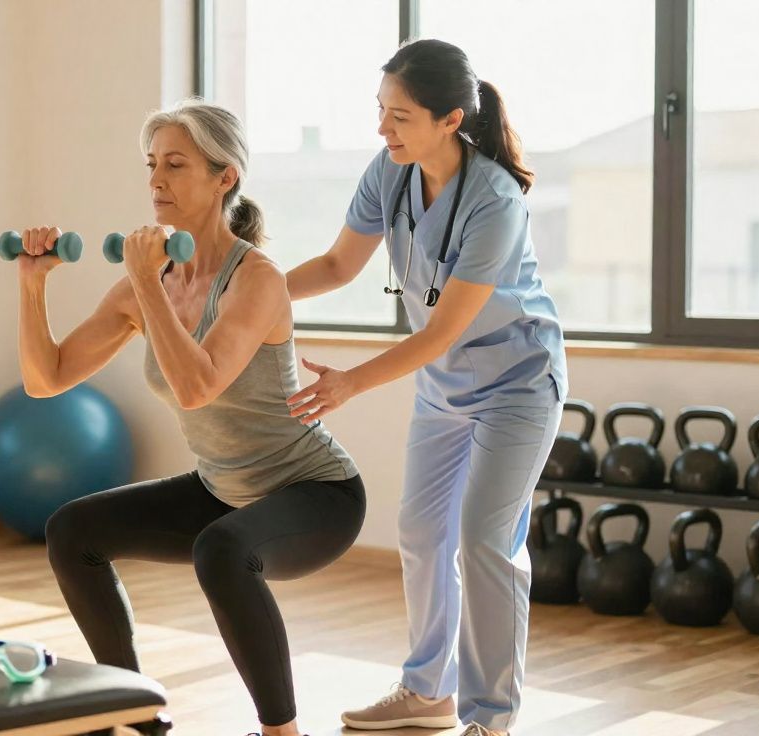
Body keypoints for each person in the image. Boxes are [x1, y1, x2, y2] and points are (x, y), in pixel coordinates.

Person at [14, 99, 364, 736]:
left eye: (175, 164)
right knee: (73, 532)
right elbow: (46, 380)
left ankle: (281, 732)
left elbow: (198, 385)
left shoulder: (257, 280)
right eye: (152, 165)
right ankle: (131, 707)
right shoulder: (142, 285)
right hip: (223, 490)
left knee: (222, 550)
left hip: (316, 493)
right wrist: (33, 284)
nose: (156, 180)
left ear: (224, 177)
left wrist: (149, 285)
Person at [283, 40, 568, 736]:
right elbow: (335, 264)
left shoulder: (496, 202)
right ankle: (427, 690)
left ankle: (491, 719)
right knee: (419, 531)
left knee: (483, 542)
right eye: (381, 112)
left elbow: (441, 331)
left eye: (400, 116)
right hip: (446, 389)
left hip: (517, 386)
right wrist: (245, 298)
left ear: (449, 119)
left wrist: (351, 383)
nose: (383, 129)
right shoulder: (390, 171)